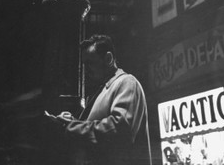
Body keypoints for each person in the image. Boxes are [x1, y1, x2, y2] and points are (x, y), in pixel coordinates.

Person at [45, 34, 152, 165]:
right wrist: (73, 121)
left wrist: (70, 126)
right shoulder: (105, 89)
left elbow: (118, 130)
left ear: (108, 58)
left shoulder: (127, 82)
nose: (86, 70)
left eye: (90, 63)